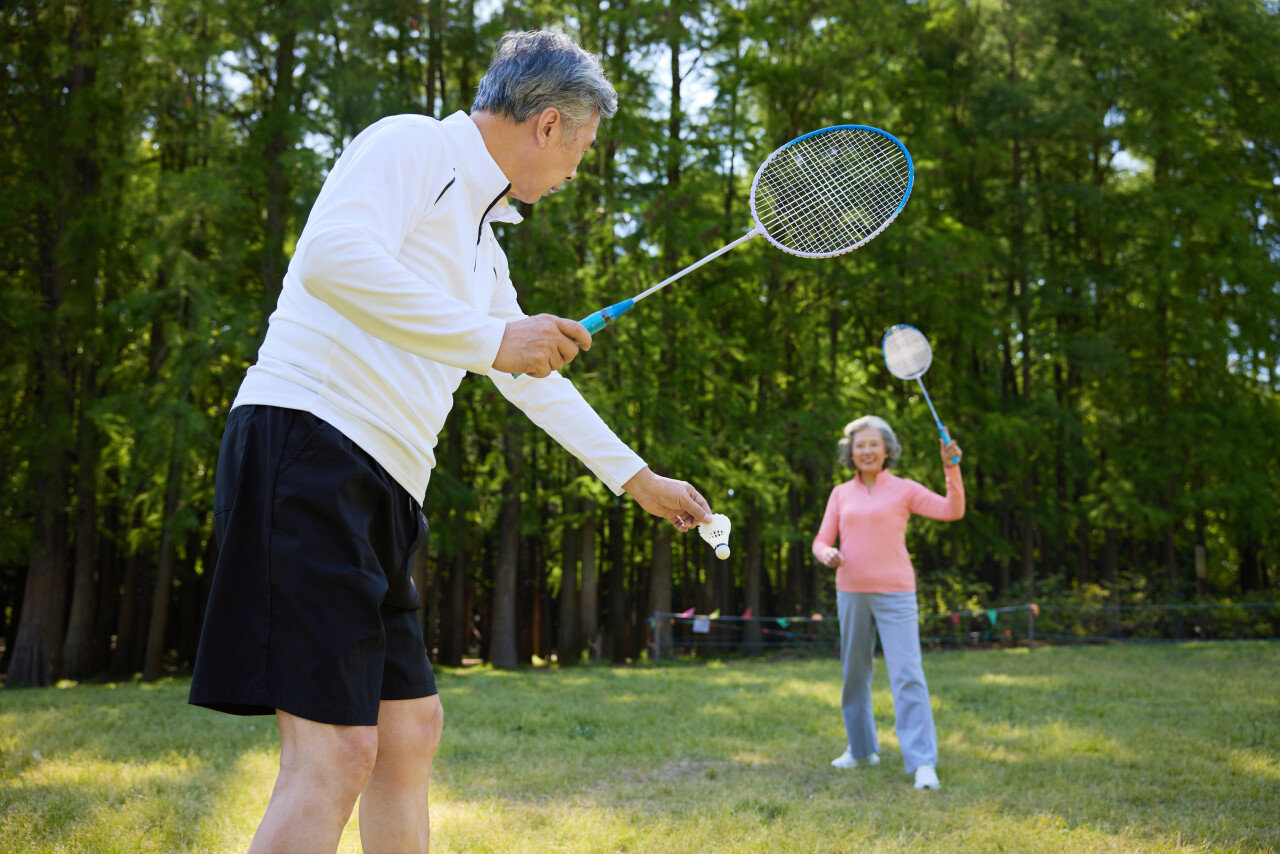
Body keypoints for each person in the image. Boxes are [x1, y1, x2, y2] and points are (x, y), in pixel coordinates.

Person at [188, 30, 713, 853]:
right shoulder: (412, 143)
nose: (576, 170)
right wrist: (491, 337)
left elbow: (528, 375)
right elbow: (331, 259)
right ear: (546, 125)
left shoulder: (484, 246)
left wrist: (637, 478)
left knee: (408, 733)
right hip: (306, 447)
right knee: (334, 753)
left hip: (383, 489)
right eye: (581, 146)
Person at [811, 415, 964, 790]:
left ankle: (923, 763)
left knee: (908, 675)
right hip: (850, 593)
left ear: (887, 450)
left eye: (873, 444)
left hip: (896, 594)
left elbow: (952, 510)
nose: (866, 451)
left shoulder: (904, 489)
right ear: (851, 451)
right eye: (859, 445)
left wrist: (951, 470)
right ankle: (861, 750)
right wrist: (828, 553)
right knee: (854, 674)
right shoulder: (840, 494)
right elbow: (819, 542)